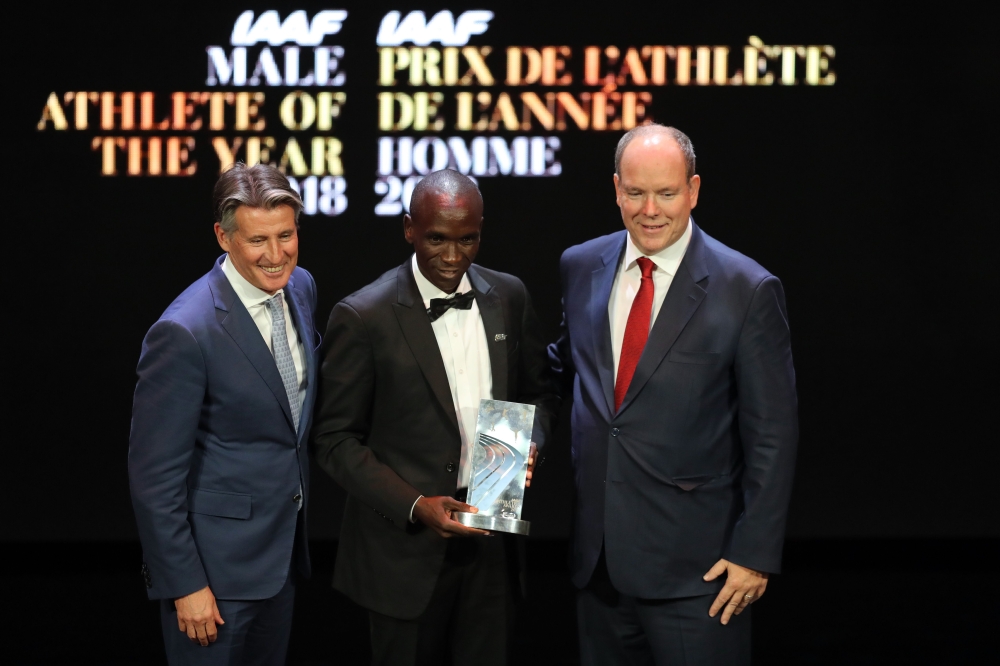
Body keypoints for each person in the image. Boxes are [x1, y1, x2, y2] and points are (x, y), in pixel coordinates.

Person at [548, 125, 798, 665]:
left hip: (700, 575)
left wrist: (753, 554)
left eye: (666, 193)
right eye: (635, 193)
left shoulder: (747, 288)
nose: (650, 209)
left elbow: (772, 434)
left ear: (694, 190)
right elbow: (565, 369)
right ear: (616, 189)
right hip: (599, 566)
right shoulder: (580, 266)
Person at [312, 169, 558, 665]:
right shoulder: (364, 315)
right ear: (409, 229)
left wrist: (530, 442)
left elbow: (537, 393)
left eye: (467, 239)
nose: (452, 257)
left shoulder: (508, 297)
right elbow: (334, 439)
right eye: (436, 239)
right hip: (403, 555)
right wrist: (416, 504)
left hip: (492, 545)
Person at [128, 163, 320, 664]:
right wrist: (185, 584)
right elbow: (154, 479)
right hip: (212, 582)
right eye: (258, 240)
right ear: (223, 236)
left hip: (279, 563)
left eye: (286, 235)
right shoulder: (184, 331)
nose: (277, 256)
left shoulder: (300, 289)